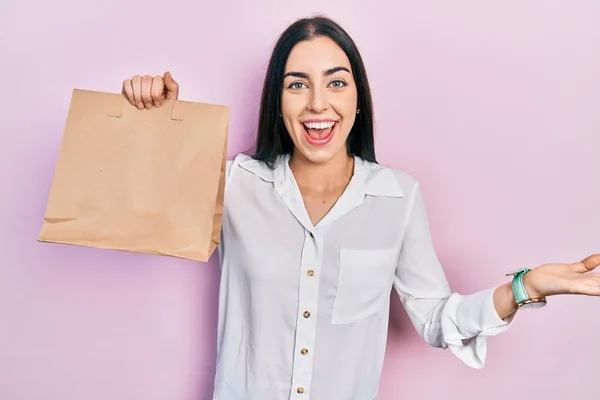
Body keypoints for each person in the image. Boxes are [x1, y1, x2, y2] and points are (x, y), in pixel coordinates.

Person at [120, 16, 599, 400]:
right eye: (296, 84)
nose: (317, 104)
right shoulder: (235, 183)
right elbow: (144, 212)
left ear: (357, 98)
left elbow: (435, 320)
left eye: (336, 82)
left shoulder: (398, 197)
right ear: (277, 100)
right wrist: (159, 124)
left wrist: (526, 286)